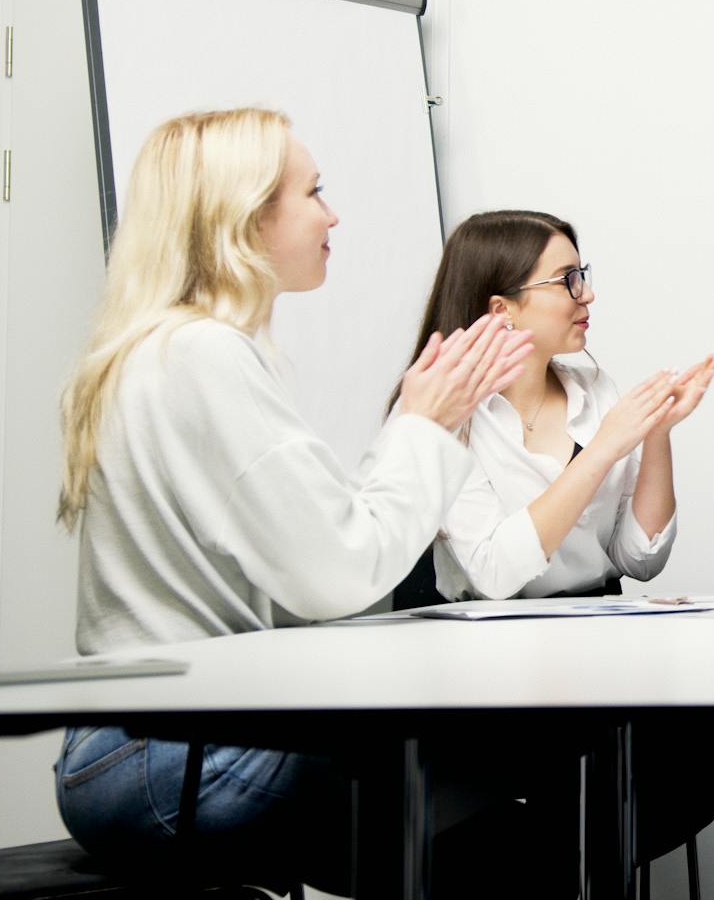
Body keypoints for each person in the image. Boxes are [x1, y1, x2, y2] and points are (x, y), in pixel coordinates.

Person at [53, 108, 532, 890]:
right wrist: (424, 421)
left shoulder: (163, 349)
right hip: (163, 762)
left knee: (491, 796)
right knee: (505, 777)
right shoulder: (204, 355)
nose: (331, 213)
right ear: (245, 219)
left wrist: (421, 425)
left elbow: (317, 555)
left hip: (128, 756)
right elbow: (338, 574)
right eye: (312, 192)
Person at [392, 208, 714, 876]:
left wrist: (656, 433)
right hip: (489, 667)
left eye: (584, 275)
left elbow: (637, 556)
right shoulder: (442, 410)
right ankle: (563, 871)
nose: (588, 296)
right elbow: (494, 570)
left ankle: (562, 871)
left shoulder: (591, 390)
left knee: (705, 757)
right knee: (581, 766)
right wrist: (608, 444)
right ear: (503, 309)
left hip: (597, 636)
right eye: (568, 280)